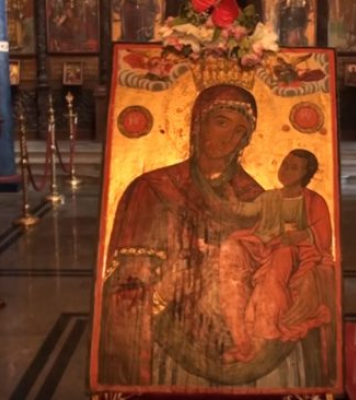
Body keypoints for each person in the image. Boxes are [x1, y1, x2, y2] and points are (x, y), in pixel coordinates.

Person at [98, 84, 265, 385]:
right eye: (221, 122)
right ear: (198, 122)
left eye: (240, 131)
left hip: (237, 340)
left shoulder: (256, 200)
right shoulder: (152, 189)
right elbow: (122, 285)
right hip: (164, 340)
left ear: (246, 141)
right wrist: (161, 292)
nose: (228, 137)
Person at [202, 149, 334, 363]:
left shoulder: (313, 201)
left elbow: (323, 234)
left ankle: (263, 332)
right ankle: (241, 340)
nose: (286, 170)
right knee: (230, 248)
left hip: (294, 251)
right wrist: (229, 198)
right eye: (285, 164)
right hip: (263, 245)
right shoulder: (269, 197)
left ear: (305, 174)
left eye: (293, 168)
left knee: (276, 269)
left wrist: (301, 235)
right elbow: (245, 210)